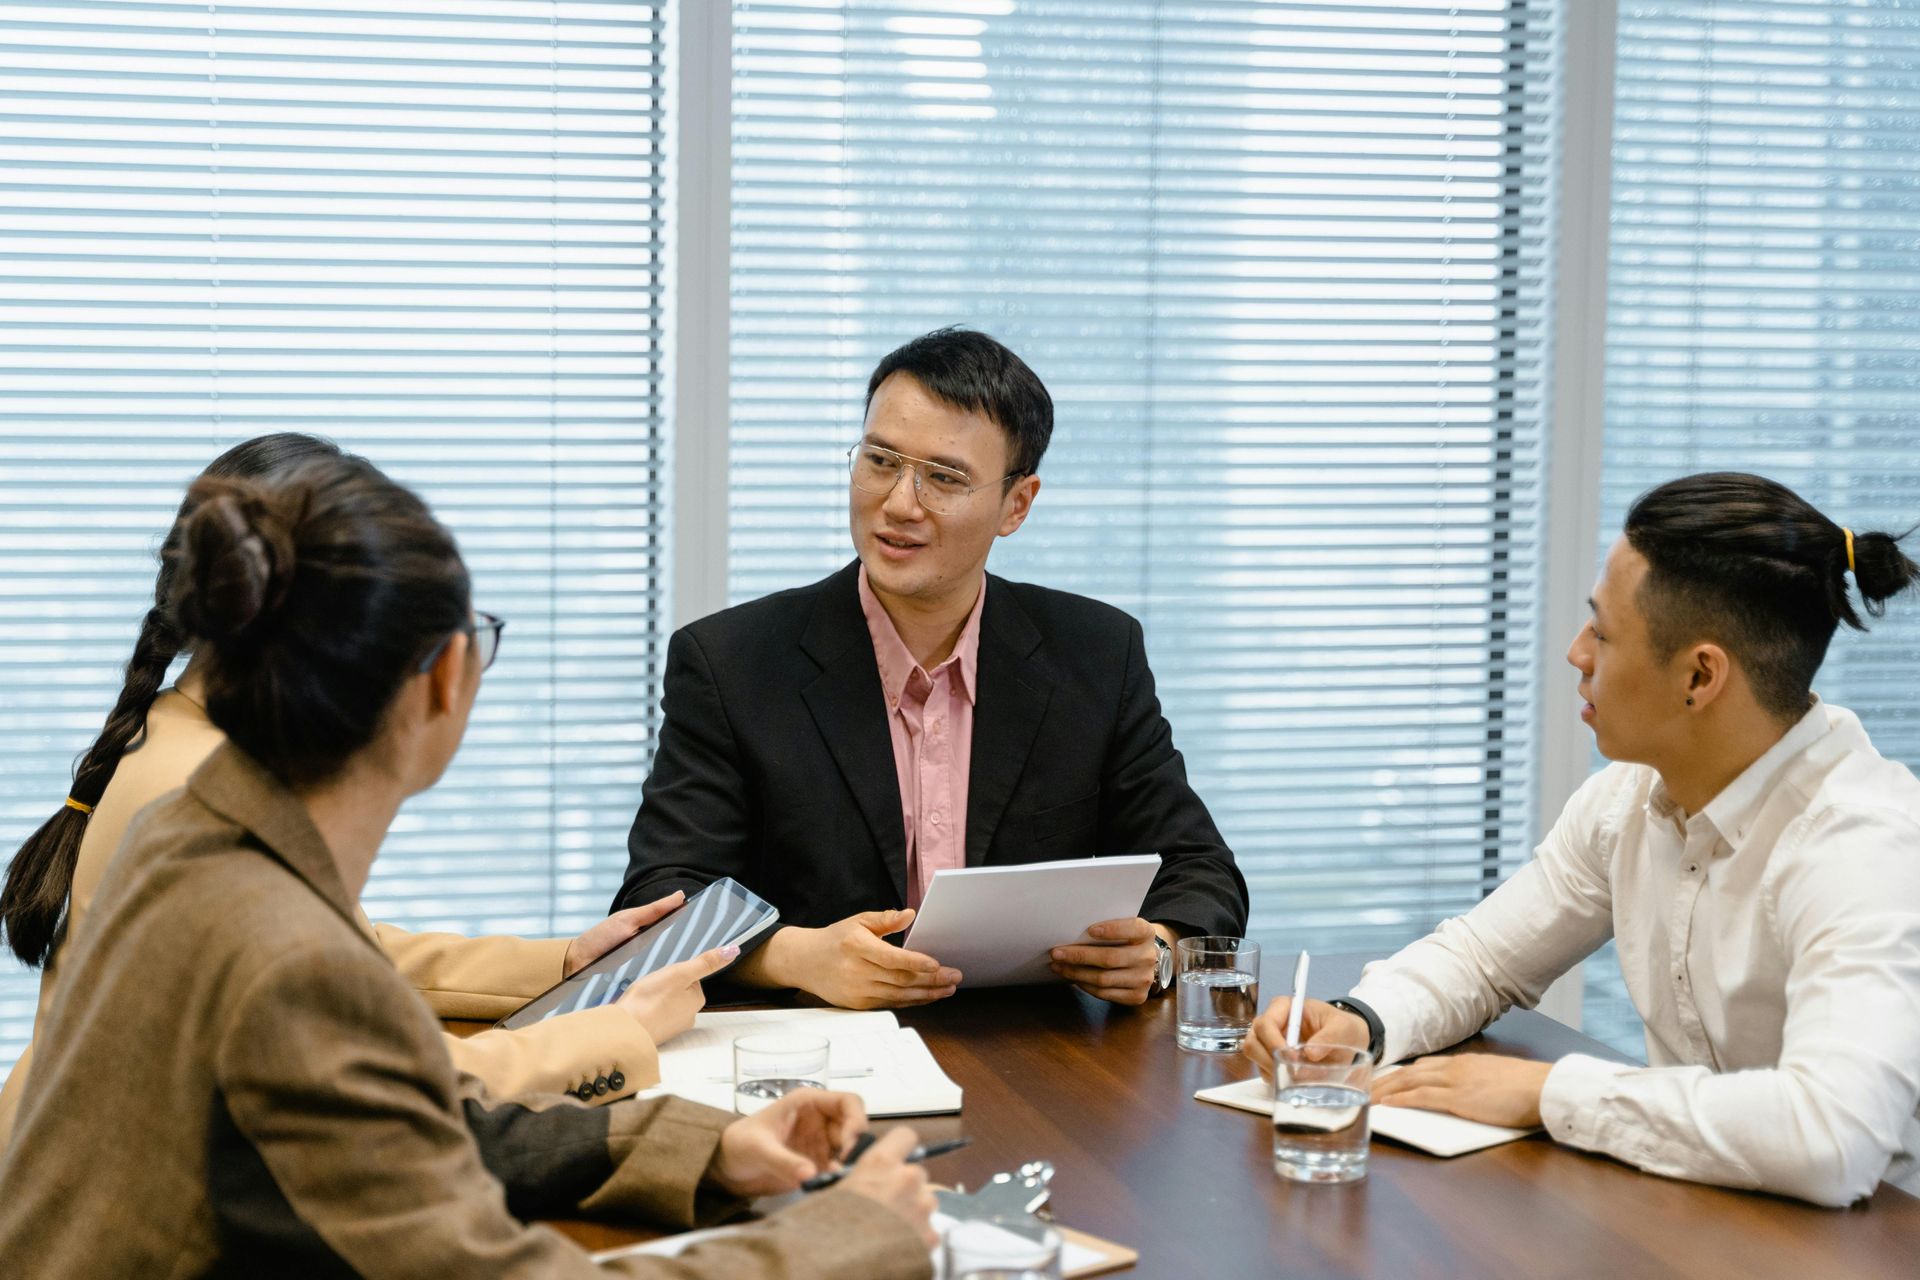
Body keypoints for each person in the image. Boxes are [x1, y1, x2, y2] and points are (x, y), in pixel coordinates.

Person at [0, 454, 936, 1276]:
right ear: (445, 678)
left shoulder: (197, 837)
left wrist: (701, 1148)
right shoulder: (285, 955)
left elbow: (409, 1112)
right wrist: (848, 1241)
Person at [0, 433, 727, 1147]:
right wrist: (620, 1031)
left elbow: (338, 949)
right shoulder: (206, 793)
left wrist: (564, 962)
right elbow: (401, 1079)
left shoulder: (185, 738)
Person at [1246, 472, 1920, 1207]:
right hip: (1702, 1211)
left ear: (1700, 676)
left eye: (1602, 631)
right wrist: (1361, 1024)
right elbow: (1484, 958)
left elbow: (1831, 1137)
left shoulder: (1863, 846)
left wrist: (1547, 1093)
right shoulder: (1632, 798)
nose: (1576, 653)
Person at [616, 328, 1248, 1009]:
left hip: (1043, 1065)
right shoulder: (731, 665)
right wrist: (794, 956)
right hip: (818, 1064)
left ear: (1017, 505)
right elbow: (660, 902)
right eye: (881, 460)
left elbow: (1202, 872)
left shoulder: (1095, 654)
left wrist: (1156, 948)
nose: (899, 503)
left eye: (944, 478)